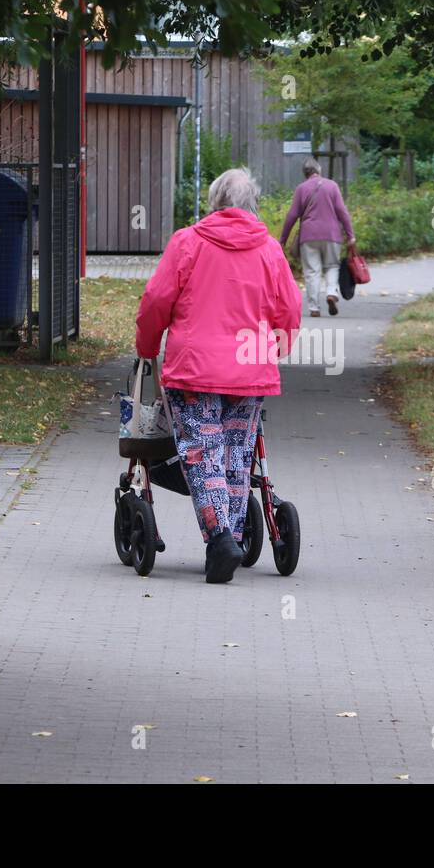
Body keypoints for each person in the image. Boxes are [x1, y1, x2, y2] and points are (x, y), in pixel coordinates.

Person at [136, 168, 302, 583]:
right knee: (236, 453)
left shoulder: (188, 242)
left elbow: (156, 301)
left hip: (194, 369)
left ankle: (220, 538)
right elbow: (289, 310)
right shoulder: (268, 249)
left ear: (214, 202)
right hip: (250, 367)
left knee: (201, 452)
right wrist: (276, 349)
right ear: (253, 205)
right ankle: (229, 533)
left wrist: (146, 348)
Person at [279, 157, 356, 317]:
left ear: (305, 174)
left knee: (312, 271)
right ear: (319, 171)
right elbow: (342, 211)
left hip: (308, 236)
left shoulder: (301, 188)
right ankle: (330, 292)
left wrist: (283, 240)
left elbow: (292, 215)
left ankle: (314, 307)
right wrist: (350, 235)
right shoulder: (332, 186)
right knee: (332, 266)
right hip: (332, 234)